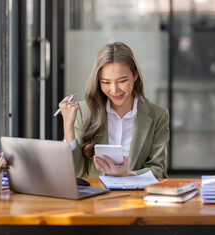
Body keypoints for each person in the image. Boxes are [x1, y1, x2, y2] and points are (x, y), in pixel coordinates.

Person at [59, 42, 169, 178]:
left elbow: (159, 170)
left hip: (135, 196)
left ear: (135, 75)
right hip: (95, 195)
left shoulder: (158, 115)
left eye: (122, 81)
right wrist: (68, 126)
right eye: (106, 82)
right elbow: (75, 171)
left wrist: (129, 174)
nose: (114, 90)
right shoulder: (83, 111)